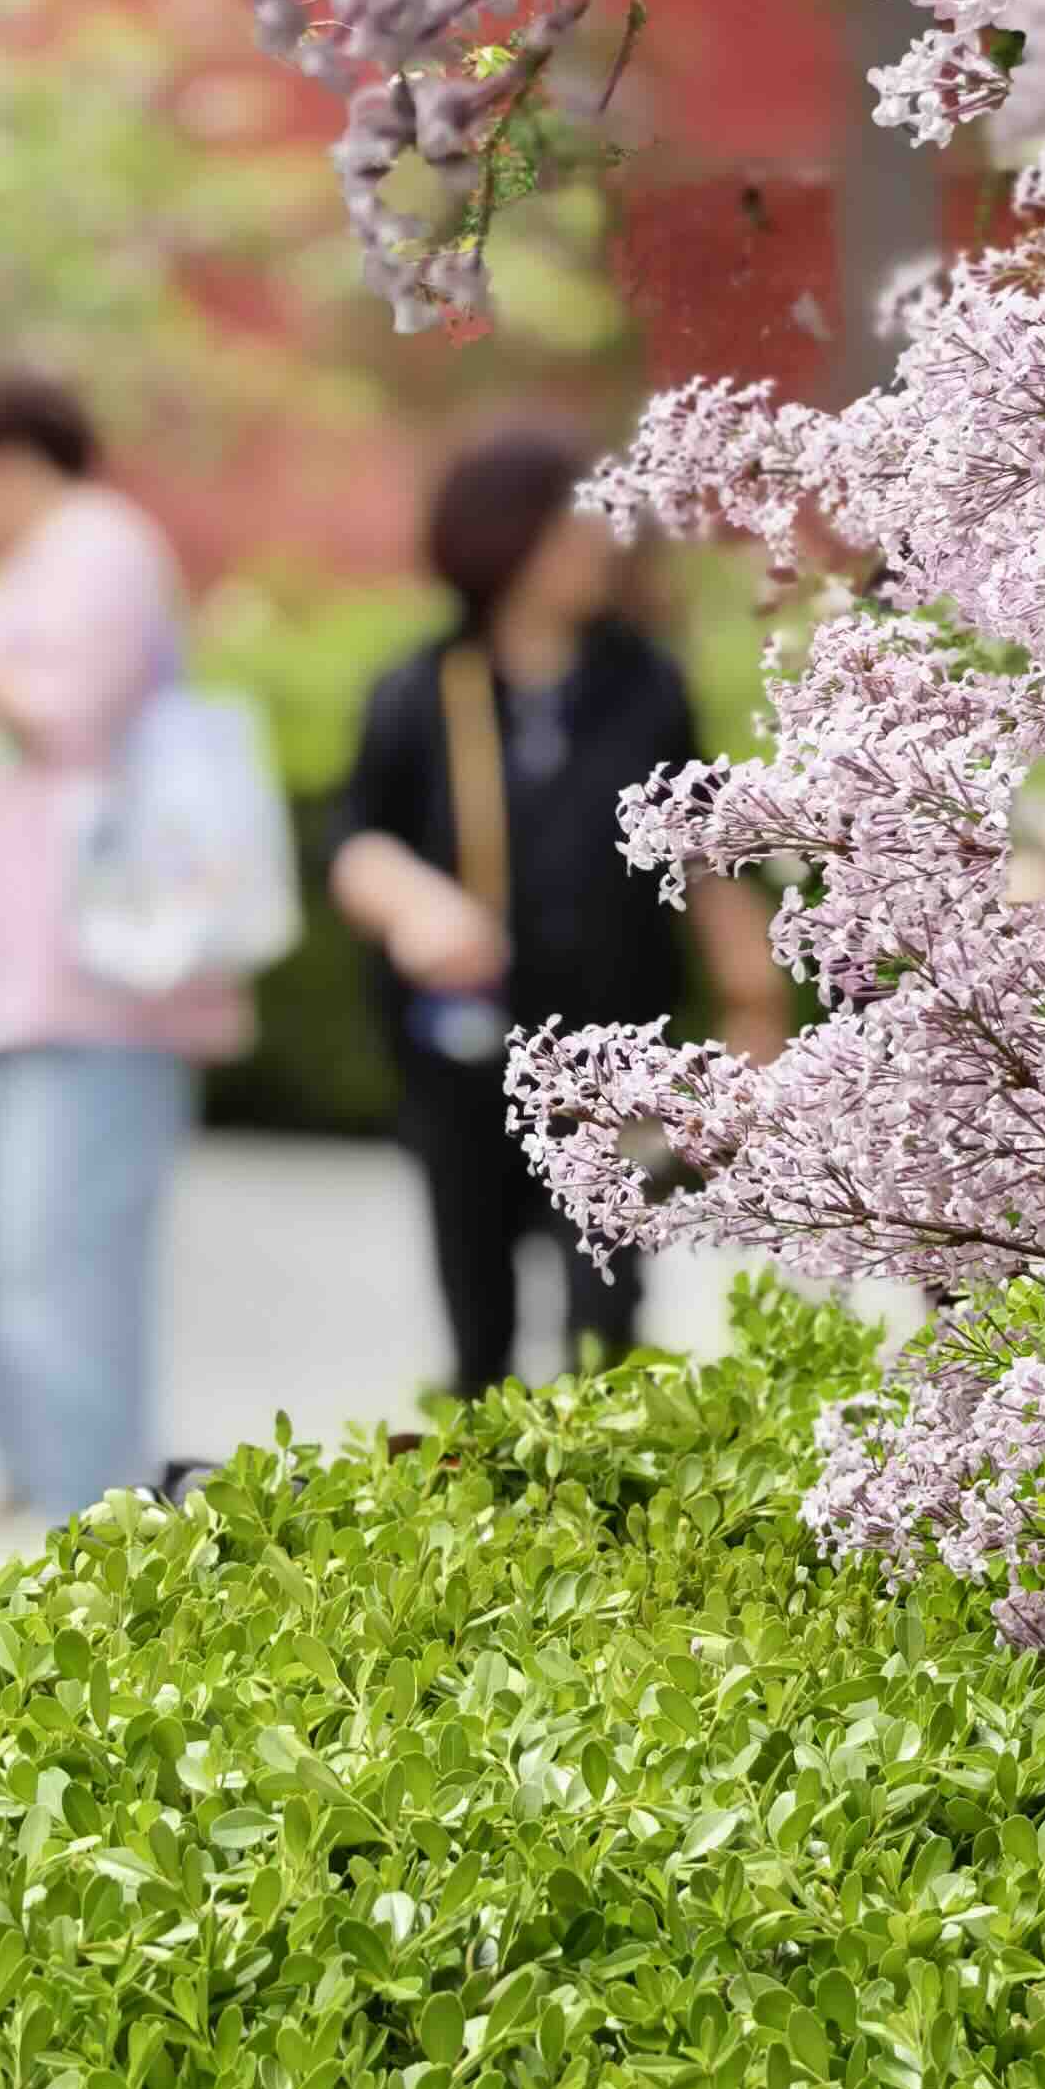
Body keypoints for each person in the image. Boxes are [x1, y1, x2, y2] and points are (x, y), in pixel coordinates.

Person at [0, 370, 246, 1550]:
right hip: (14, 982)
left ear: (11, 455)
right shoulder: (13, 577)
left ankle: (101, 1513)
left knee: (64, 1261)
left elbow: (70, 716)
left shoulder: (100, 545)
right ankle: (35, 1476)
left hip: (100, 984)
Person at [329, 418, 787, 1403]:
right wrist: (419, 906)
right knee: (477, 1308)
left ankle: (600, 1519)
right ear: (507, 536)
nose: (599, 550)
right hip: (466, 1055)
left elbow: (704, 850)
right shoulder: (421, 689)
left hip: (618, 1050)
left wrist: (754, 1004)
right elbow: (356, 840)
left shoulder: (643, 684)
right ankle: (482, 1522)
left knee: (607, 1313)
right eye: (575, 529)